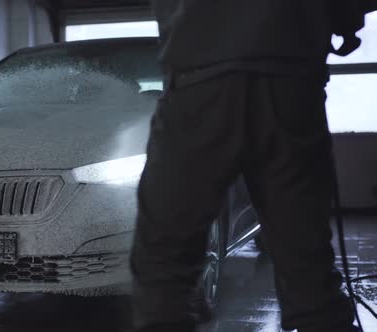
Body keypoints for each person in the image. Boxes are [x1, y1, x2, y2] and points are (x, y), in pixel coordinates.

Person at [130, 1, 376, 331]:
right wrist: (345, 19)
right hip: (290, 74)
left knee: (164, 259)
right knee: (306, 257)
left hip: (201, 72)